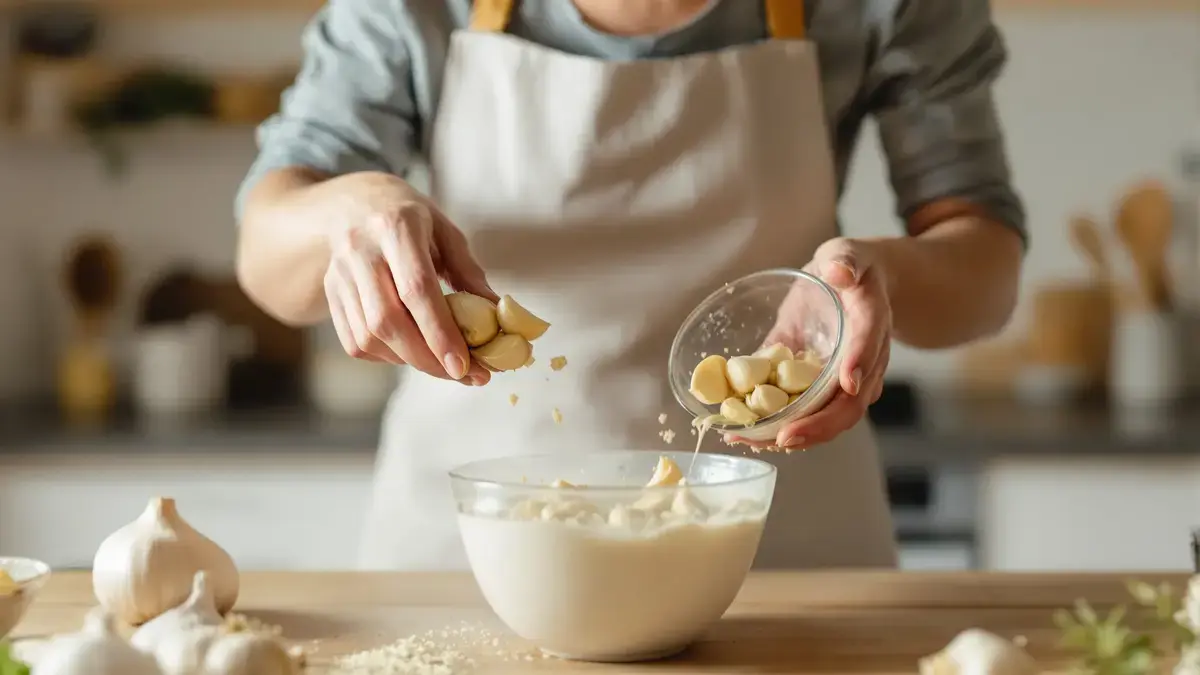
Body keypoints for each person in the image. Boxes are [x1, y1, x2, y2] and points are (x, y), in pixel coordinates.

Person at [235, 0, 1025, 570]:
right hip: (474, 558)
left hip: (780, 554)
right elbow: (265, 252)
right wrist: (351, 210)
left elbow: (985, 265)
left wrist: (880, 276)